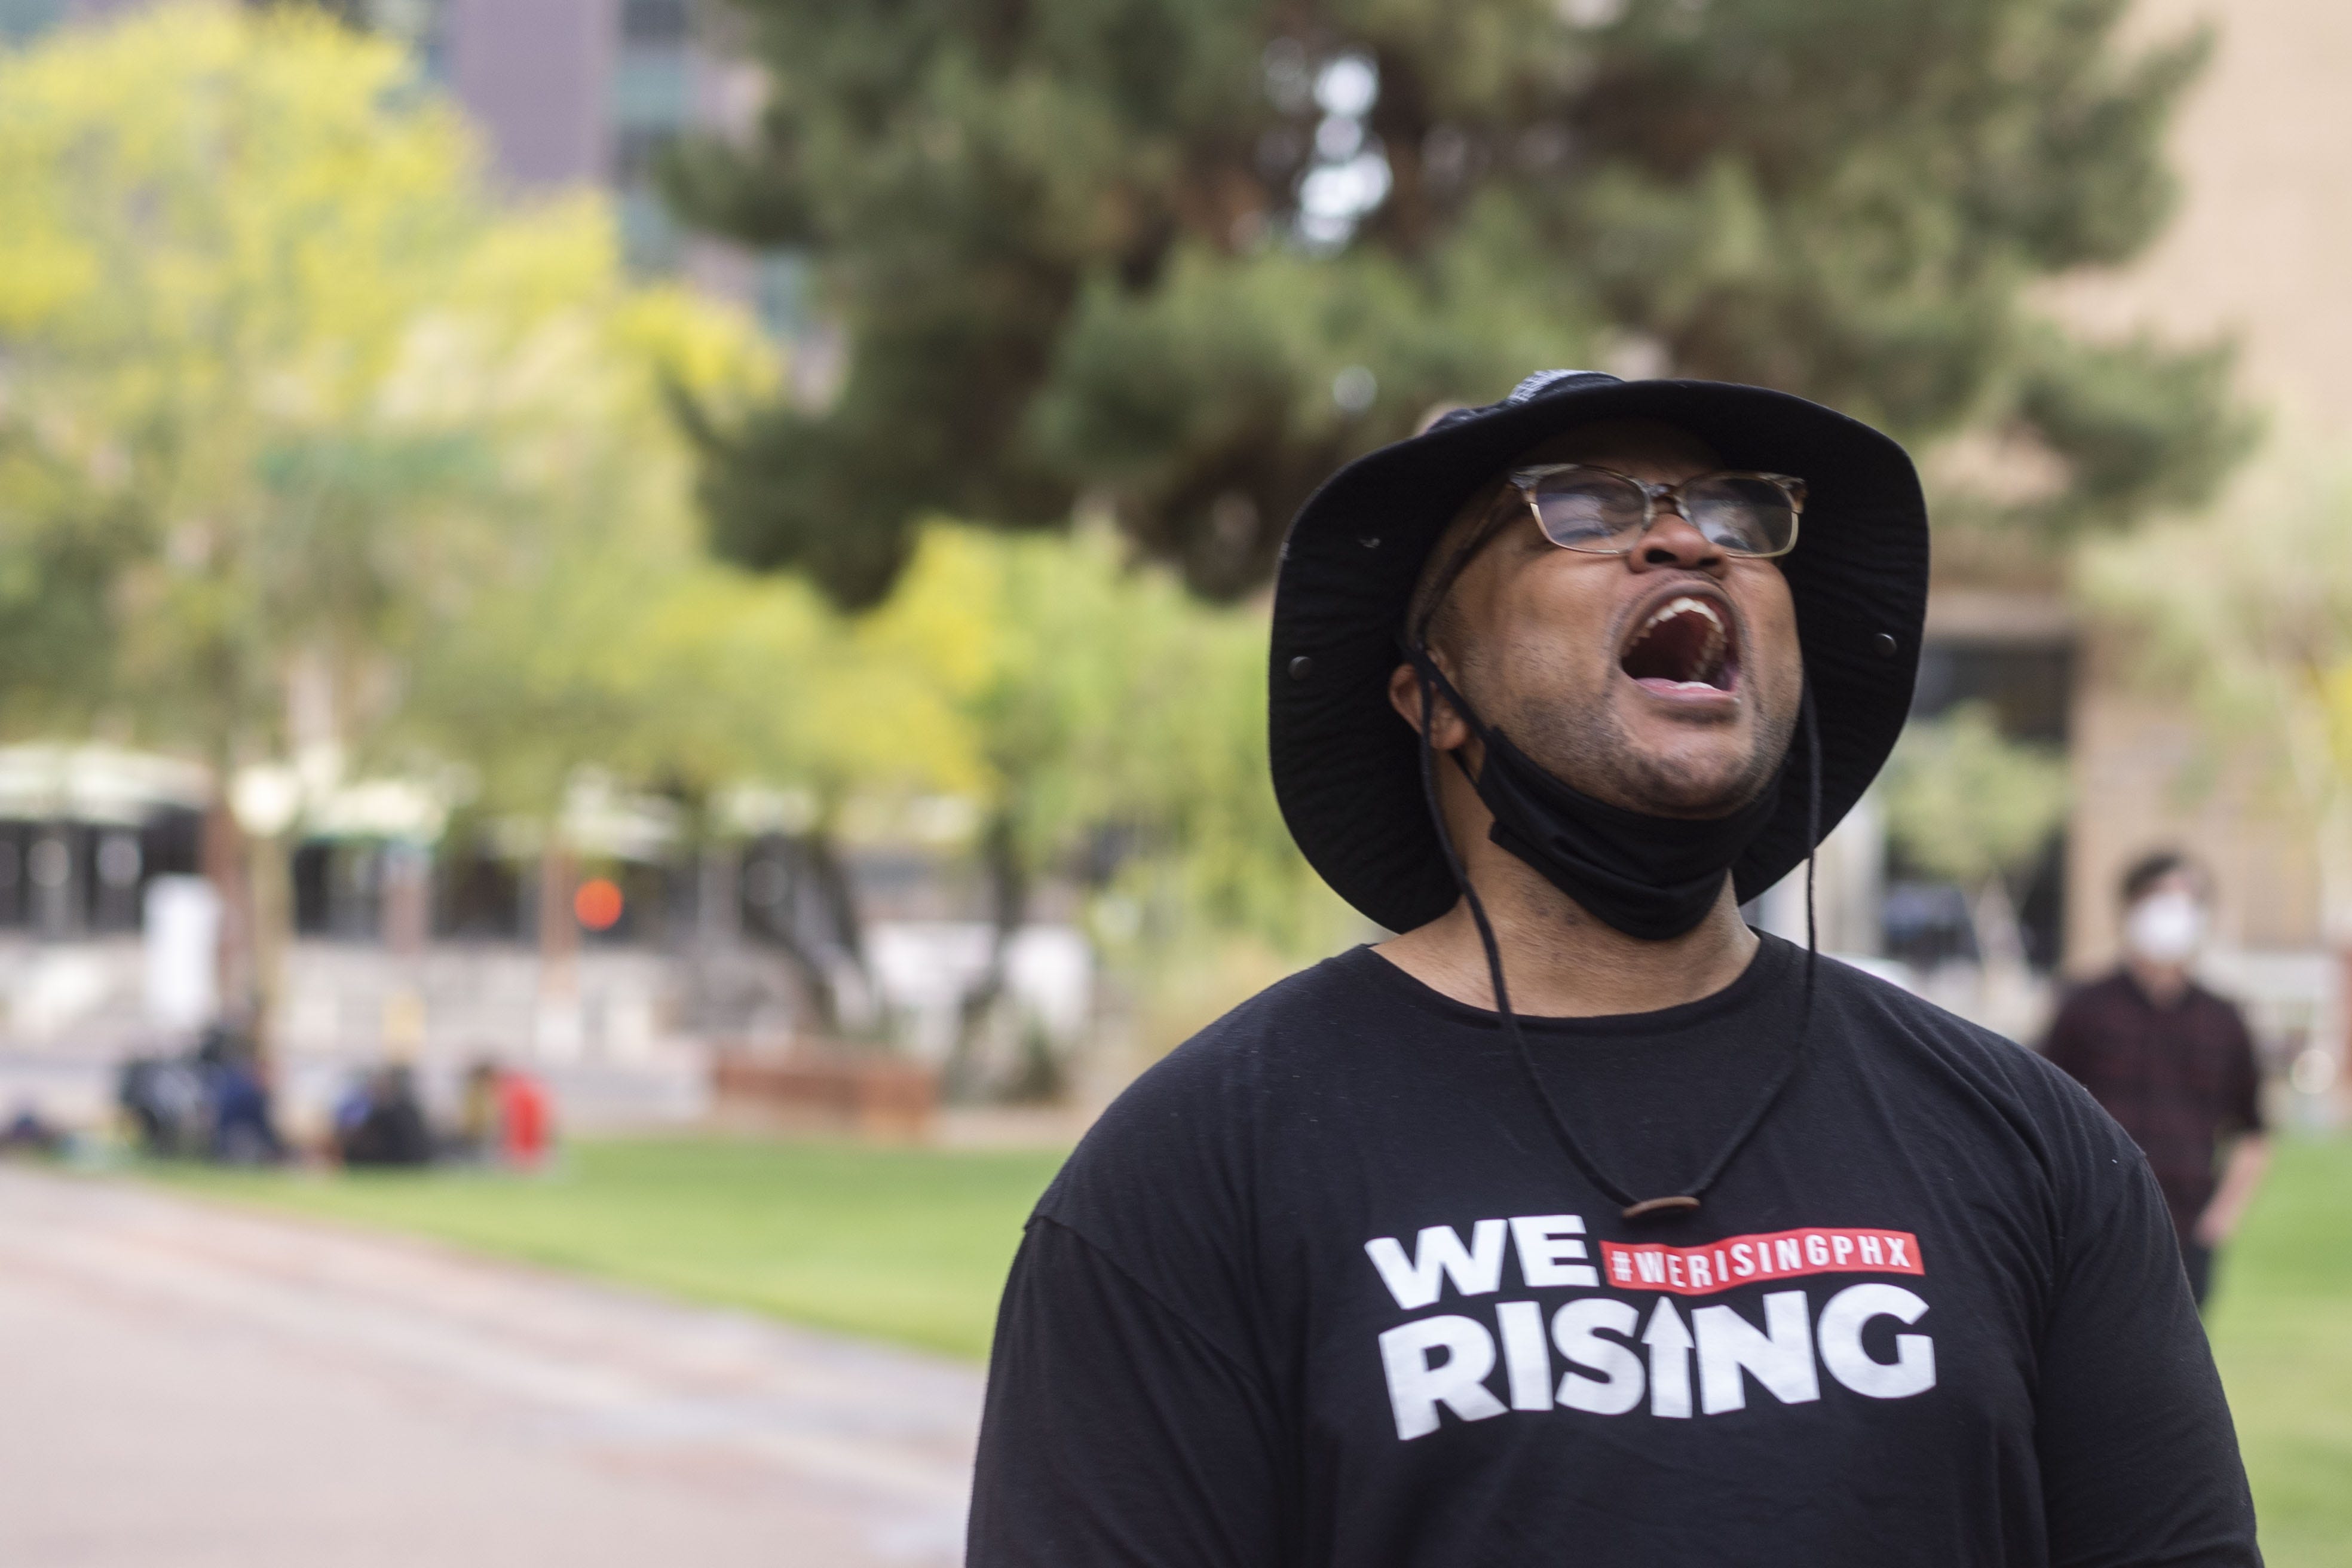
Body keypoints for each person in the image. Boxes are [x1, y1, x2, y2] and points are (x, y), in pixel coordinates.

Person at [967, 371, 2256, 1565]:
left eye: (1739, 515)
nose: (1689, 539)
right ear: (1433, 693)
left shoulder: (2031, 1149)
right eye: (1579, 508)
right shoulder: (1193, 1172)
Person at [2044, 852, 2270, 1308]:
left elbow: (2253, 1131)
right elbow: (2042, 1111)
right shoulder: (2084, 1006)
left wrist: (2217, 1224)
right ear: (2128, 908)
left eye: (2184, 900)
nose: (2171, 914)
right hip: (2095, 1228)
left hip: (2187, 1230)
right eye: (2158, 899)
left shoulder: (2224, 1019)